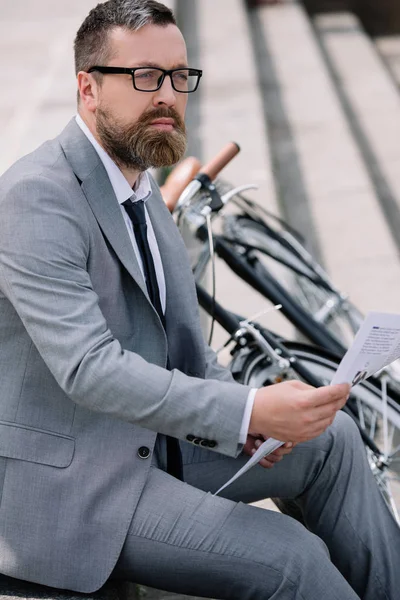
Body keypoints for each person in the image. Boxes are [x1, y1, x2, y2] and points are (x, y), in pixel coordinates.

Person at [0, 1, 398, 599]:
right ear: (87, 88)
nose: (168, 94)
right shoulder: (37, 197)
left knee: (336, 441)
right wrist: (248, 413)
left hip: (147, 444)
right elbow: (90, 370)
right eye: (144, 76)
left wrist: (244, 420)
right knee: (291, 557)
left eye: (179, 76)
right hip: (75, 484)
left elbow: (186, 344)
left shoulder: (137, 182)